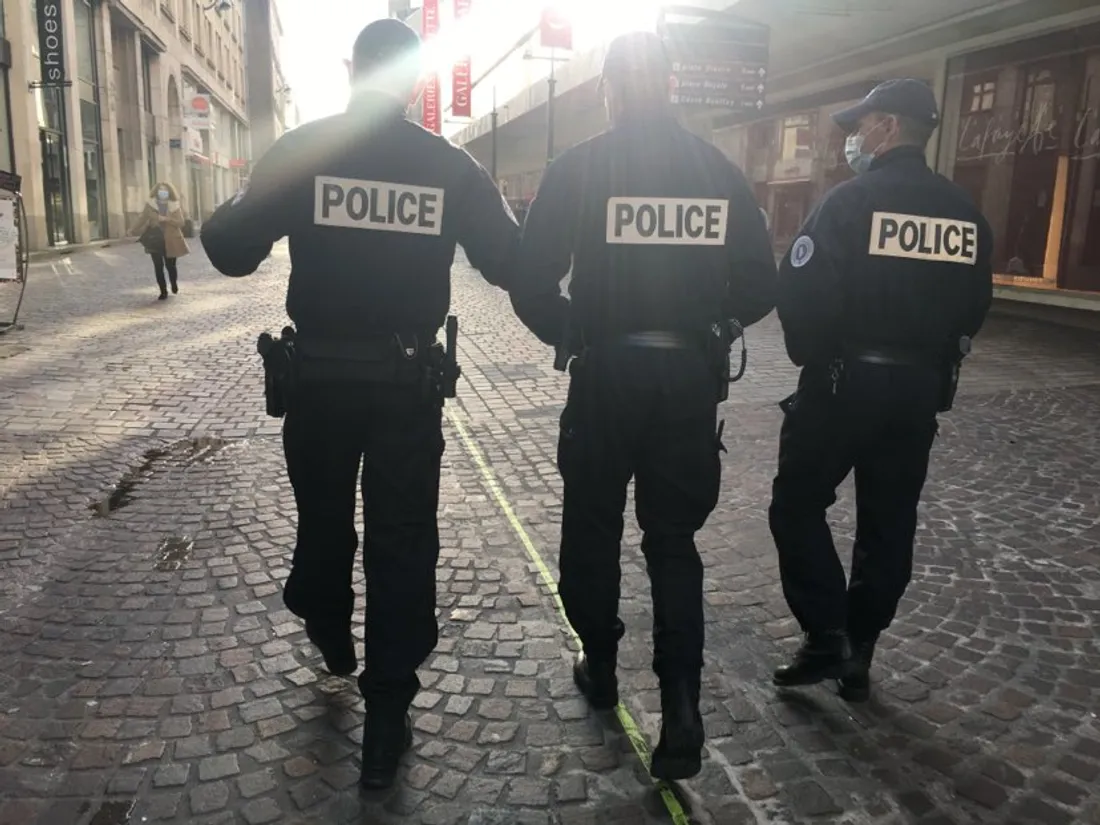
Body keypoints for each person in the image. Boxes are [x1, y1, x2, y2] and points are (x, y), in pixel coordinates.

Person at [199, 18, 518, 789]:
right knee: (403, 541)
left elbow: (230, 248)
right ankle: (386, 717)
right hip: (407, 391)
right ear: (412, 84)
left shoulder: (306, 152)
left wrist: (237, 202)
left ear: (351, 72)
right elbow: (510, 260)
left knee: (324, 520)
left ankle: (327, 621)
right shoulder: (449, 165)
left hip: (321, 385)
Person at [510, 31, 778, 781]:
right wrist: (714, 326)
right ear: (670, 85)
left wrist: (570, 337)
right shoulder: (717, 171)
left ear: (606, 92)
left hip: (604, 375)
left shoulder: (579, 167)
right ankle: (683, 706)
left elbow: (530, 280)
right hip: (687, 379)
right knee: (673, 542)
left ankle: (599, 662)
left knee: (592, 528)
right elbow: (760, 281)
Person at [767, 79, 994, 702]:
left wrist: (814, 358)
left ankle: (826, 635)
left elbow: (803, 290)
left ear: (889, 127)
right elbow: (975, 308)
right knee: (889, 519)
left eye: (861, 126)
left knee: (796, 504)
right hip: (918, 389)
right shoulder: (965, 215)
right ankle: (861, 646)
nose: (854, 138)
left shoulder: (848, 204)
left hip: (845, 383)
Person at [129, 182, 189, 300]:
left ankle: (173, 283)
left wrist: (167, 219)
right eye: (160, 190)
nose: (162, 192)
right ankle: (163, 291)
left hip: (170, 239)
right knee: (158, 266)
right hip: (155, 238)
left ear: (169, 192)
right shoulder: (150, 205)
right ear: (156, 192)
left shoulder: (174, 205)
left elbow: (181, 223)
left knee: (170, 265)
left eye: (165, 190)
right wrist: (132, 229)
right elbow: (142, 218)